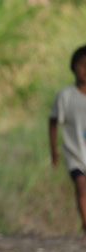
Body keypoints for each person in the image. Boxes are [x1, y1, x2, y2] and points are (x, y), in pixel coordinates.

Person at [49, 44, 86, 236]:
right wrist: (53, 150)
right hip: (74, 153)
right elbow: (53, 122)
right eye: (82, 64)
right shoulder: (65, 96)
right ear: (73, 67)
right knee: (81, 185)